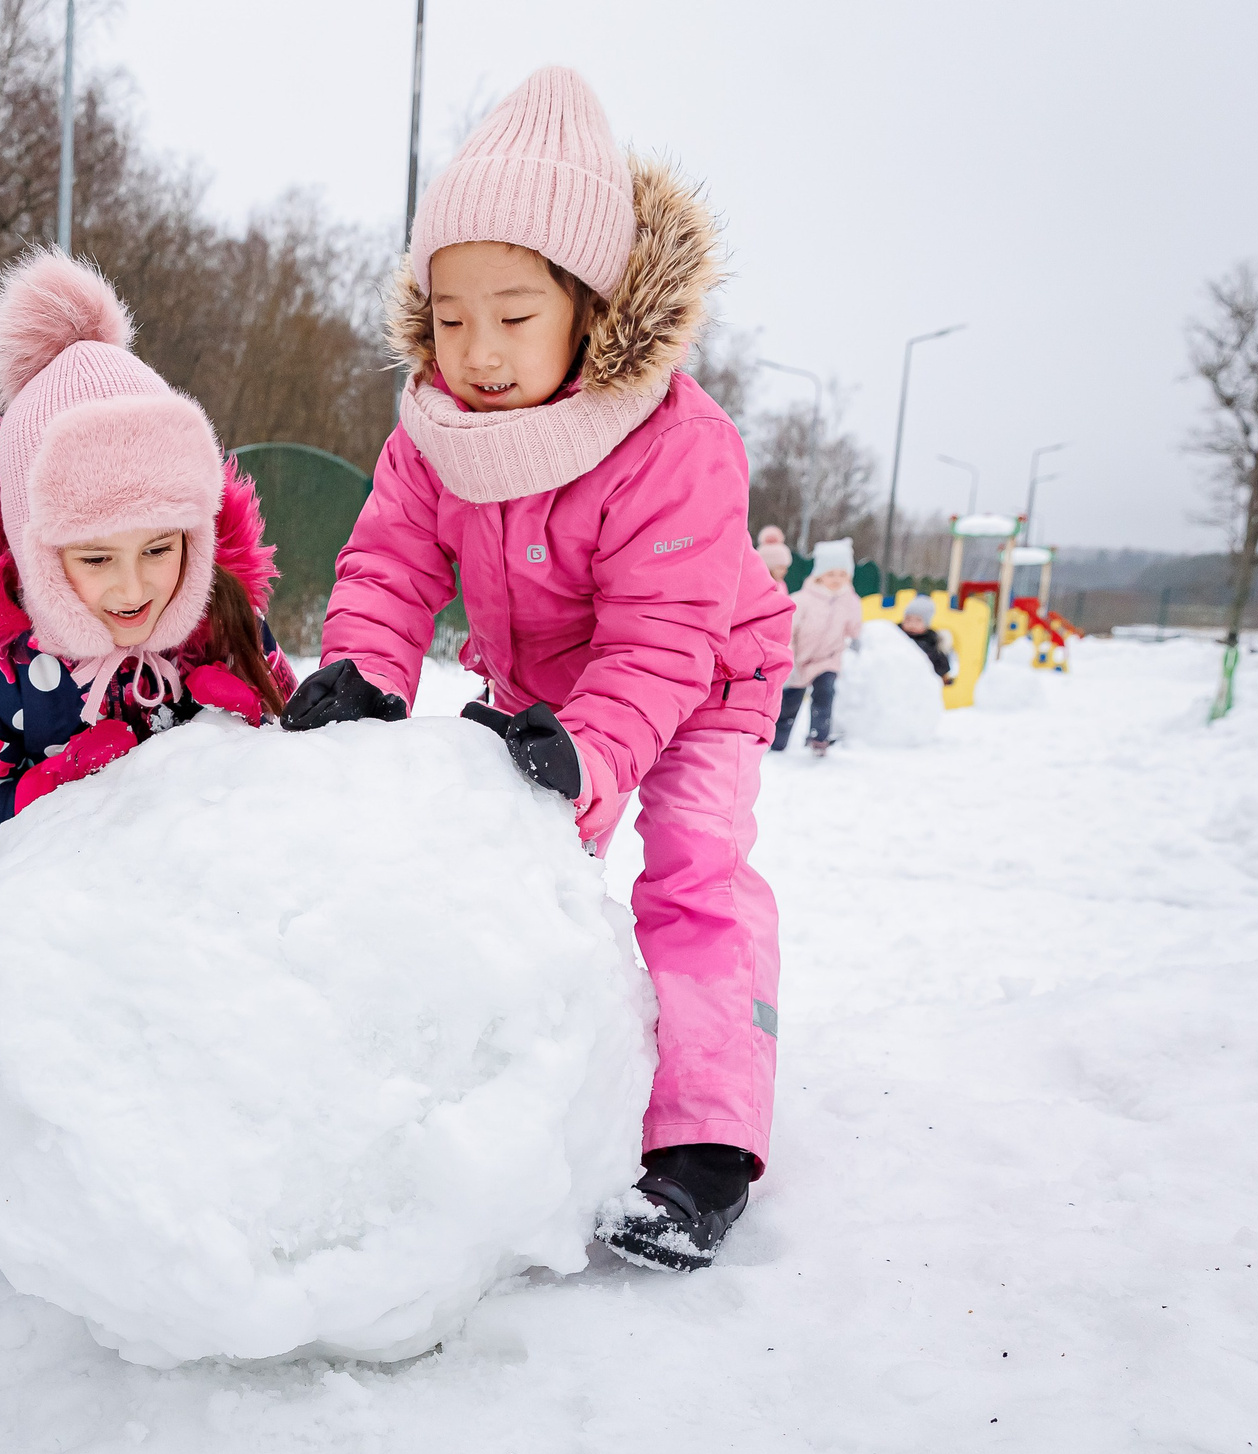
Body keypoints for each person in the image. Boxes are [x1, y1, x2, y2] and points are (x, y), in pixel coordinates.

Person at [279, 67, 794, 1272]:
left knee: (694, 875)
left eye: (513, 314)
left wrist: (597, 752)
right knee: (511, 872)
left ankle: (703, 1143)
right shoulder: (434, 429)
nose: (478, 350)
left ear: (590, 305)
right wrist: (362, 672)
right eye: (449, 316)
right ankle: (506, 1095)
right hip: (542, 690)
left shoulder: (675, 442)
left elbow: (662, 635)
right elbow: (393, 562)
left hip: (700, 677)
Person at [0, 250, 295, 1235]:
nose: (133, 586)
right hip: (55, 918)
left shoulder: (211, 609)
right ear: (30, 538)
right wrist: (48, 794)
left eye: (160, 547)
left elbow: (295, 761)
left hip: (209, 904)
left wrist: (266, 716)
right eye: (94, 558)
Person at [774, 539, 863, 755]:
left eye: (842, 575)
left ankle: (819, 738)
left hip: (828, 659)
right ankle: (777, 741)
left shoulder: (849, 601)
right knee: (790, 702)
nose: (837, 580)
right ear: (819, 574)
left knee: (825, 693)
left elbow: (854, 629)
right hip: (800, 659)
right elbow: (790, 630)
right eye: (831, 574)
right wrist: (789, 655)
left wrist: (858, 637)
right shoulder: (803, 600)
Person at [897, 594, 958, 682]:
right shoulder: (897, 634)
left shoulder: (932, 640)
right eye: (908, 619)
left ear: (926, 624)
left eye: (918, 620)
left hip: (922, 680)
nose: (911, 624)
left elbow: (942, 665)